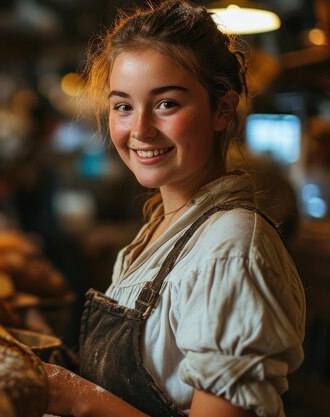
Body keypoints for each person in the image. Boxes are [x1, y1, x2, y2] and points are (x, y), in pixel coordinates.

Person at [43, 1, 306, 417]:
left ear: (222, 109)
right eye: (123, 106)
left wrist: (72, 396)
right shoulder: (161, 229)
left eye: (166, 103)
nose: (141, 129)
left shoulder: (230, 250)